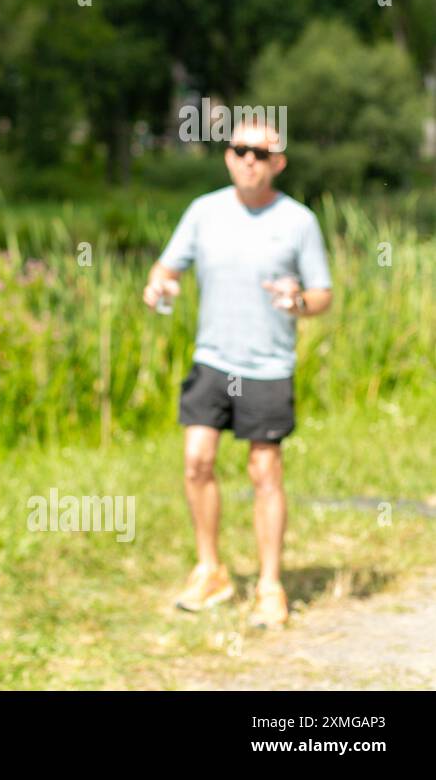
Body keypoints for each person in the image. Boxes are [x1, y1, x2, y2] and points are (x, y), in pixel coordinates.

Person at [143, 121, 332, 629]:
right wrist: (159, 287)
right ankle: (211, 570)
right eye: (240, 150)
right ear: (228, 157)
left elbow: (323, 296)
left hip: (268, 366)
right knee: (196, 461)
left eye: (260, 153)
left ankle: (270, 585)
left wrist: (299, 302)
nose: (249, 159)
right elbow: (166, 269)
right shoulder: (204, 212)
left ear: (278, 163)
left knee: (265, 472)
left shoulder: (299, 221)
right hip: (213, 360)